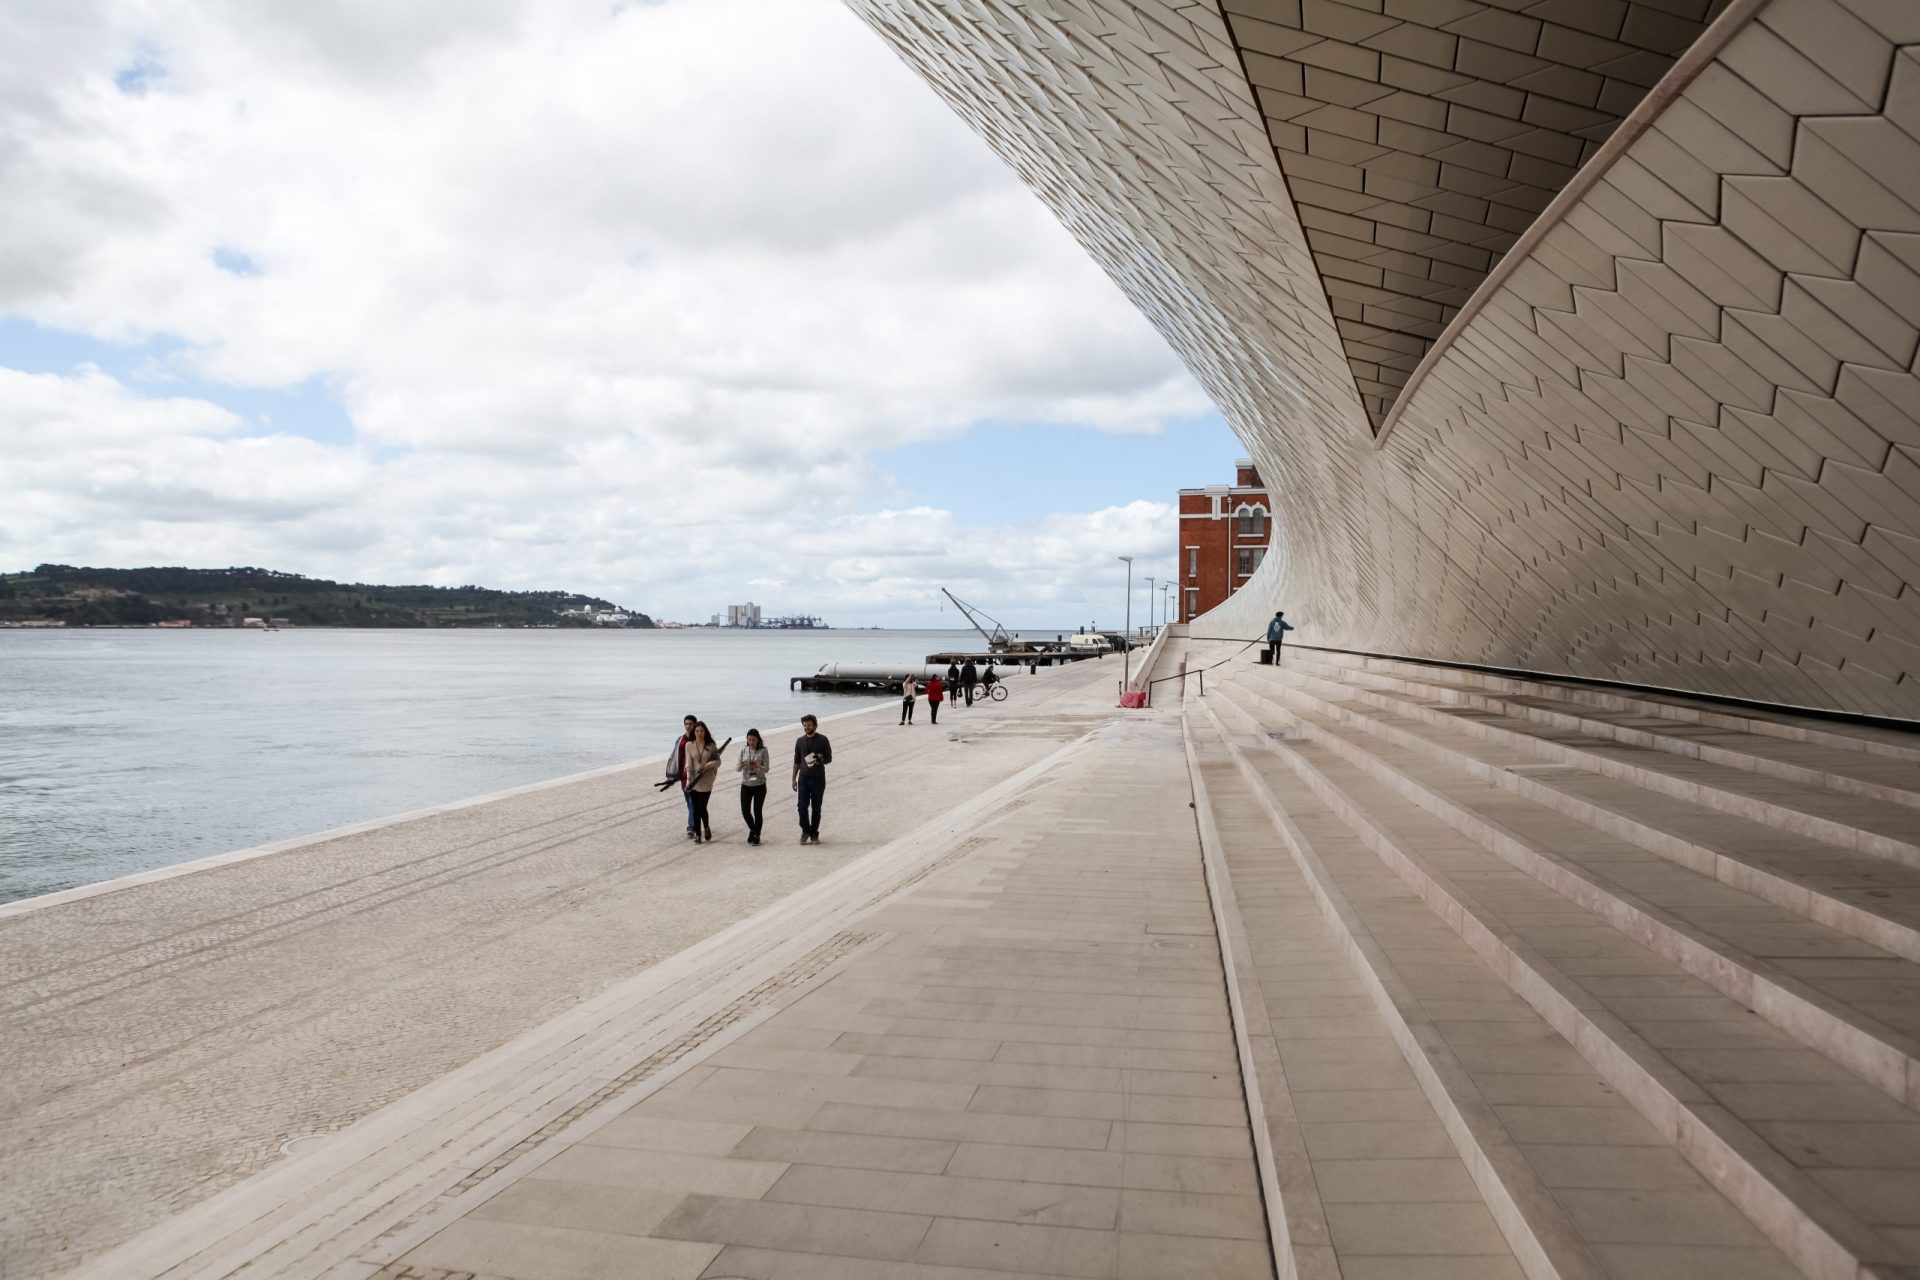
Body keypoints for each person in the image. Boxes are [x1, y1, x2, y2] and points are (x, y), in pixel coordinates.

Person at [792, 714, 832, 844]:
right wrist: (793, 778)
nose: (806, 727)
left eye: (809, 725)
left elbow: (829, 758)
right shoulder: (799, 741)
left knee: (816, 807)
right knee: (802, 807)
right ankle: (806, 831)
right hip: (803, 778)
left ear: (815, 725)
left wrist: (818, 759)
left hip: (818, 779)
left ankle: (814, 834)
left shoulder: (823, 740)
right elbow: (797, 761)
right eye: (804, 725)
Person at [683, 720, 720, 842]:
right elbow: (688, 764)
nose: (699, 733)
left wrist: (710, 764)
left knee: (702, 807)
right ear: (694, 732)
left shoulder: (711, 746)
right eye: (697, 731)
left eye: (701, 731)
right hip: (694, 780)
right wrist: (688, 781)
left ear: (705, 732)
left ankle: (706, 827)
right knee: (695, 807)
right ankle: (698, 834)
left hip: (706, 781)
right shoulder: (689, 745)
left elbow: (718, 762)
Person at [666, 712, 698, 838]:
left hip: (696, 777)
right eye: (686, 724)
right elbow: (675, 758)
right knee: (690, 803)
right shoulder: (681, 740)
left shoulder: (699, 739)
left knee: (692, 803)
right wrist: (673, 775)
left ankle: (691, 826)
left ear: (695, 724)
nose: (688, 726)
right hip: (684, 777)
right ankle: (696, 824)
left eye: (690, 724)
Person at [737, 728, 769, 845]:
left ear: (758, 740)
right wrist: (741, 765)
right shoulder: (744, 750)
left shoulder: (763, 751)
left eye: (753, 740)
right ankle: (753, 829)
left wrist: (757, 765)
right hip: (746, 784)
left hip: (759, 785)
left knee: (757, 811)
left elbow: (767, 769)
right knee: (745, 811)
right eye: (749, 739)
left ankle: (756, 835)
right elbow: (737, 768)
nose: (751, 742)